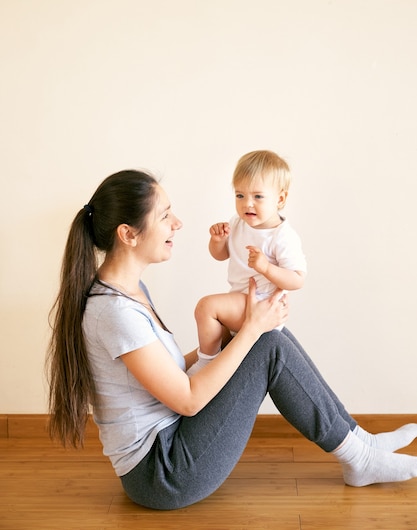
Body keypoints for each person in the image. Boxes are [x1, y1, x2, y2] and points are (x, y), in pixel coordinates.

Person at [46, 168, 417, 511]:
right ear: (128, 234)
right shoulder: (115, 312)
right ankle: (359, 457)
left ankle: (359, 443)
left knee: (259, 338)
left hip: (170, 447)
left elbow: (171, 374)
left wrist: (230, 338)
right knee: (265, 342)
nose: (177, 223)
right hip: (162, 475)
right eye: (164, 216)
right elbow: (189, 400)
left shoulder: (127, 292)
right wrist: (251, 330)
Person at [188, 150, 307, 375]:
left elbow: (298, 279)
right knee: (213, 319)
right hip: (242, 301)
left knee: (207, 307)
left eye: (258, 197)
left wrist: (266, 268)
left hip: (262, 306)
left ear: (280, 199)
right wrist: (217, 241)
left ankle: (206, 363)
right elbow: (221, 255)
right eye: (240, 196)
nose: (247, 204)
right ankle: (213, 359)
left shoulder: (282, 236)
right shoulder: (238, 223)